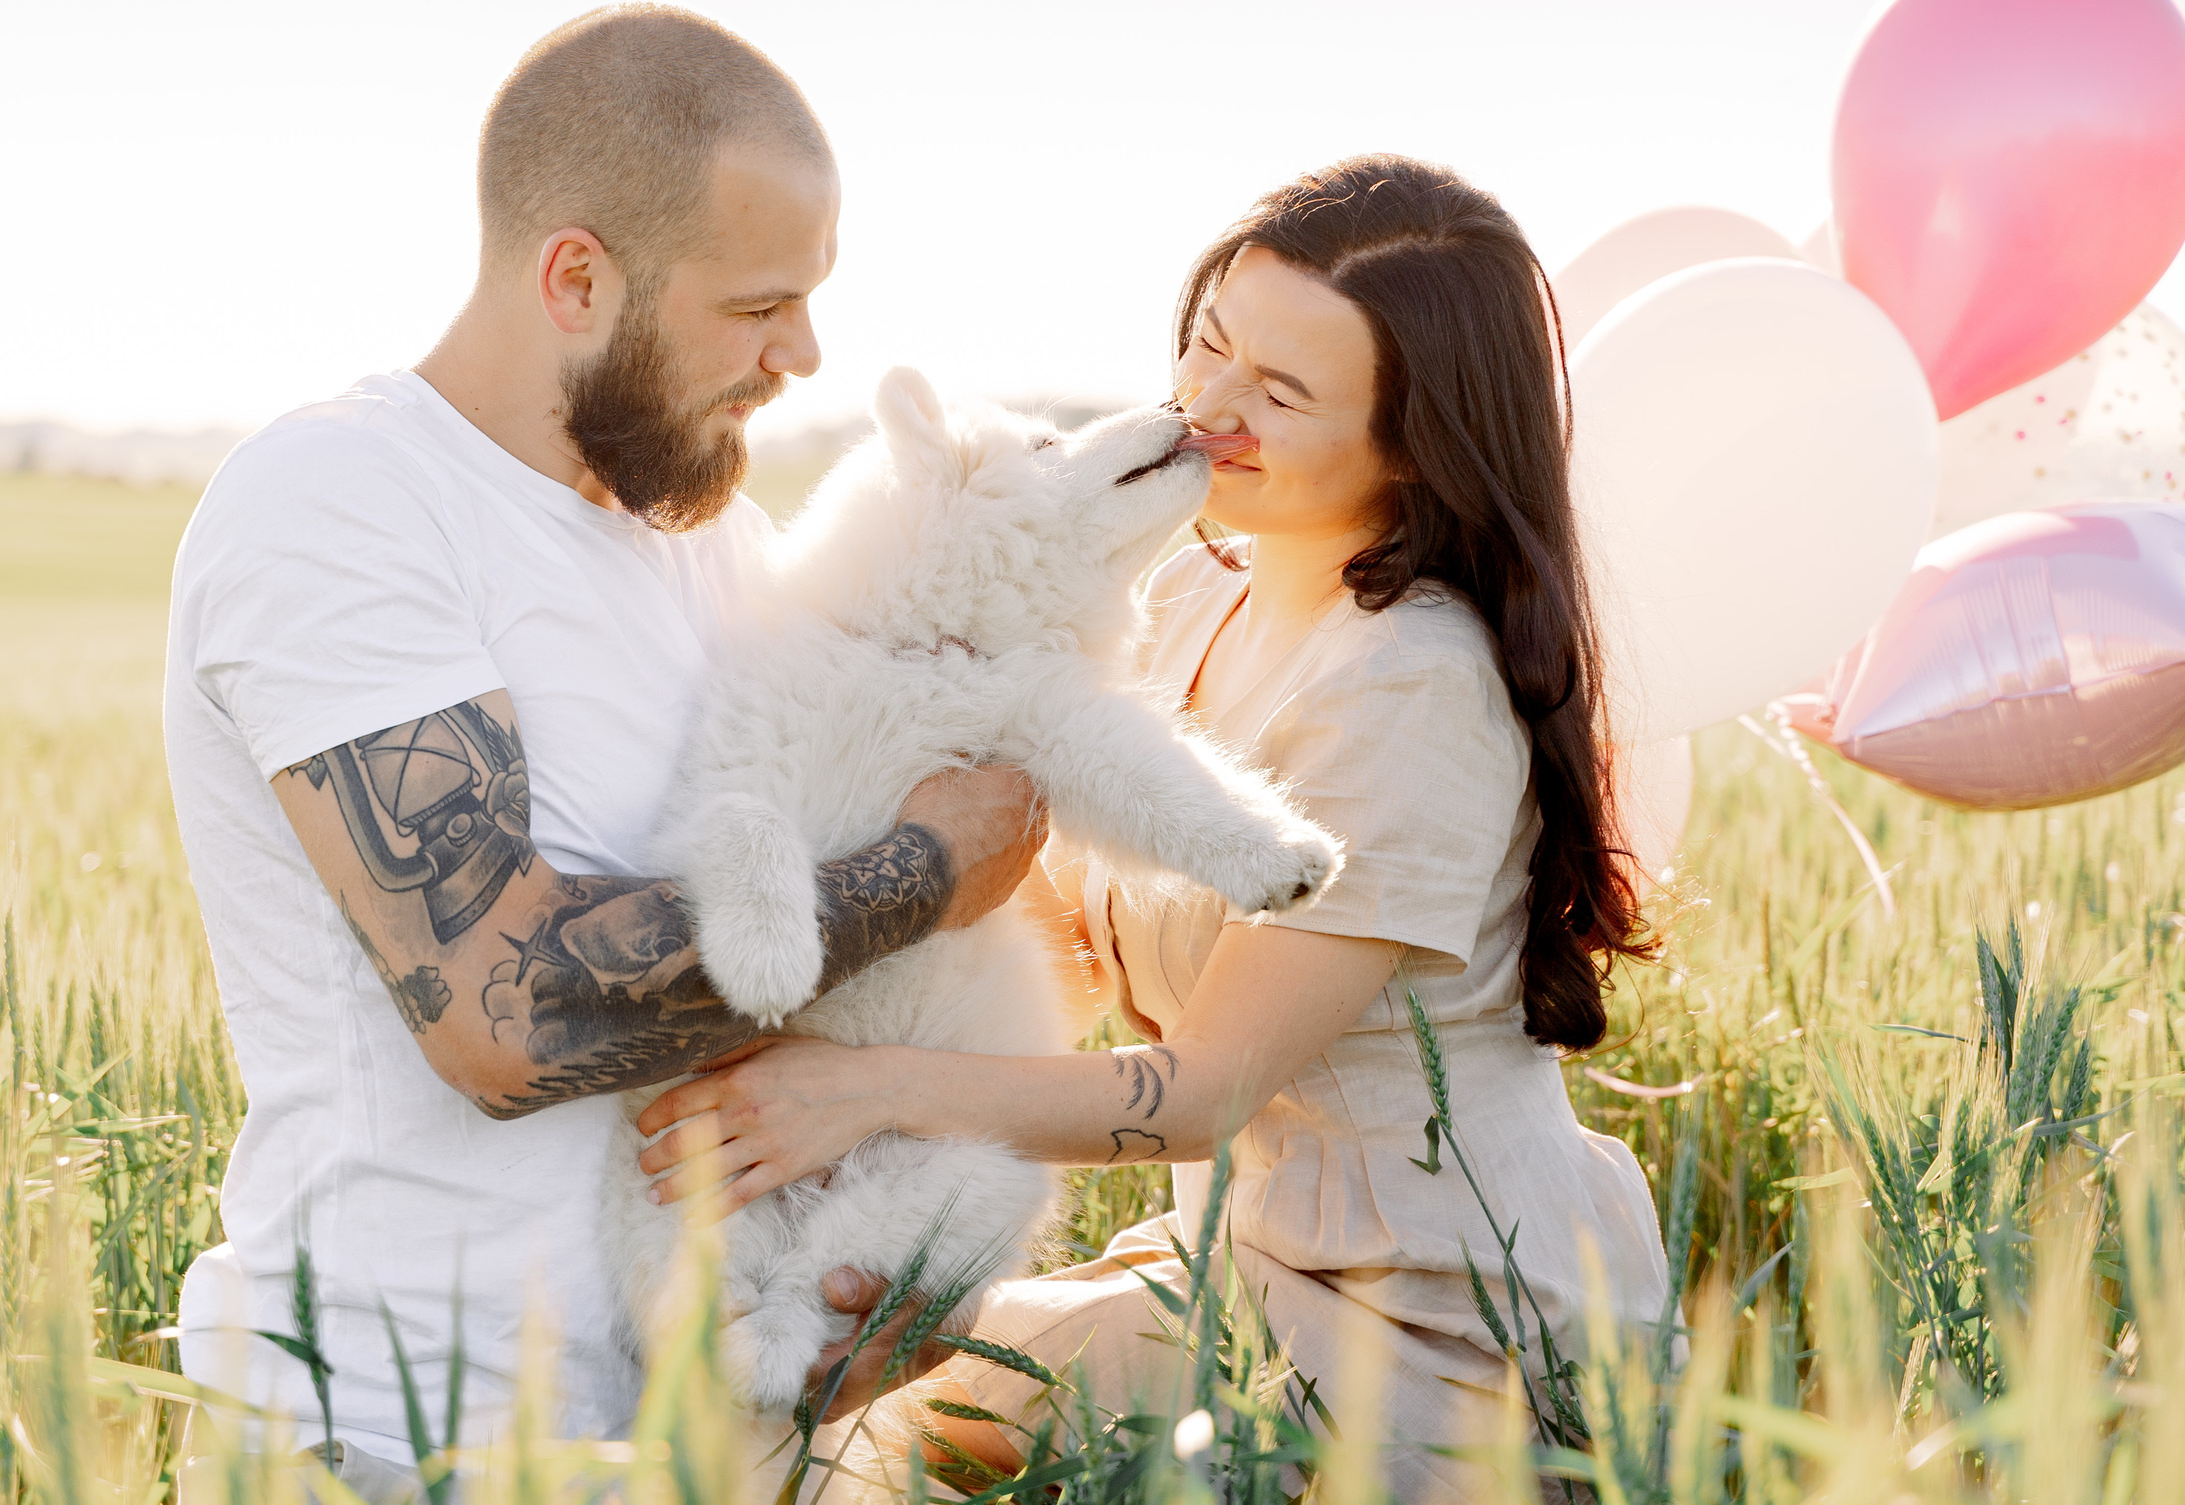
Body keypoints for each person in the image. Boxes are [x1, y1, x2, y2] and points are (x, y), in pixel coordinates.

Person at [635, 154, 1673, 1502]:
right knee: (800, 1394)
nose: (1206, 412)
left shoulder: (1413, 687)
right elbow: (1036, 926)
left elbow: (1202, 1093)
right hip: (1231, 1272)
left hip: (1421, 1317)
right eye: (1210, 345)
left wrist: (860, 1092)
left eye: (1280, 393)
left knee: (859, 1439)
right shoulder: (1190, 592)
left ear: (1417, 445)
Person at [161, 5, 1044, 1496]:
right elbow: (507, 1011)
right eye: (758, 305)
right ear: (577, 277)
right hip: (399, 1432)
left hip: (723, 1437)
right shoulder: (341, 502)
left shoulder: (723, 554)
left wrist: (879, 1271)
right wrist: (927, 867)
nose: (803, 355)